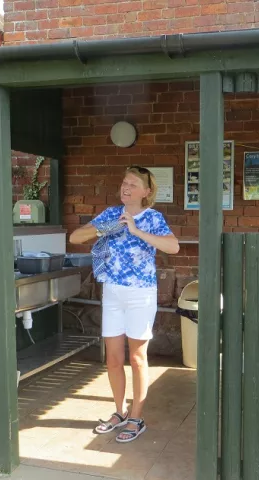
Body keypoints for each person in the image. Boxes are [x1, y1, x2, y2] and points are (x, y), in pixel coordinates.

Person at [69, 166, 179, 443]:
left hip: (141, 293)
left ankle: (136, 417)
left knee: (137, 358)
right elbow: (75, 237)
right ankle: (119, 412)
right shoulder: (110, 214)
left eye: (132, 184)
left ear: (147, 191)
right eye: (124, 182)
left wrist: (136, 230)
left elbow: (172, 247)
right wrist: (106, 227)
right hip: (113, 293)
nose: (125, 187)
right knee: (114, 358)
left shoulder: (153, 217)